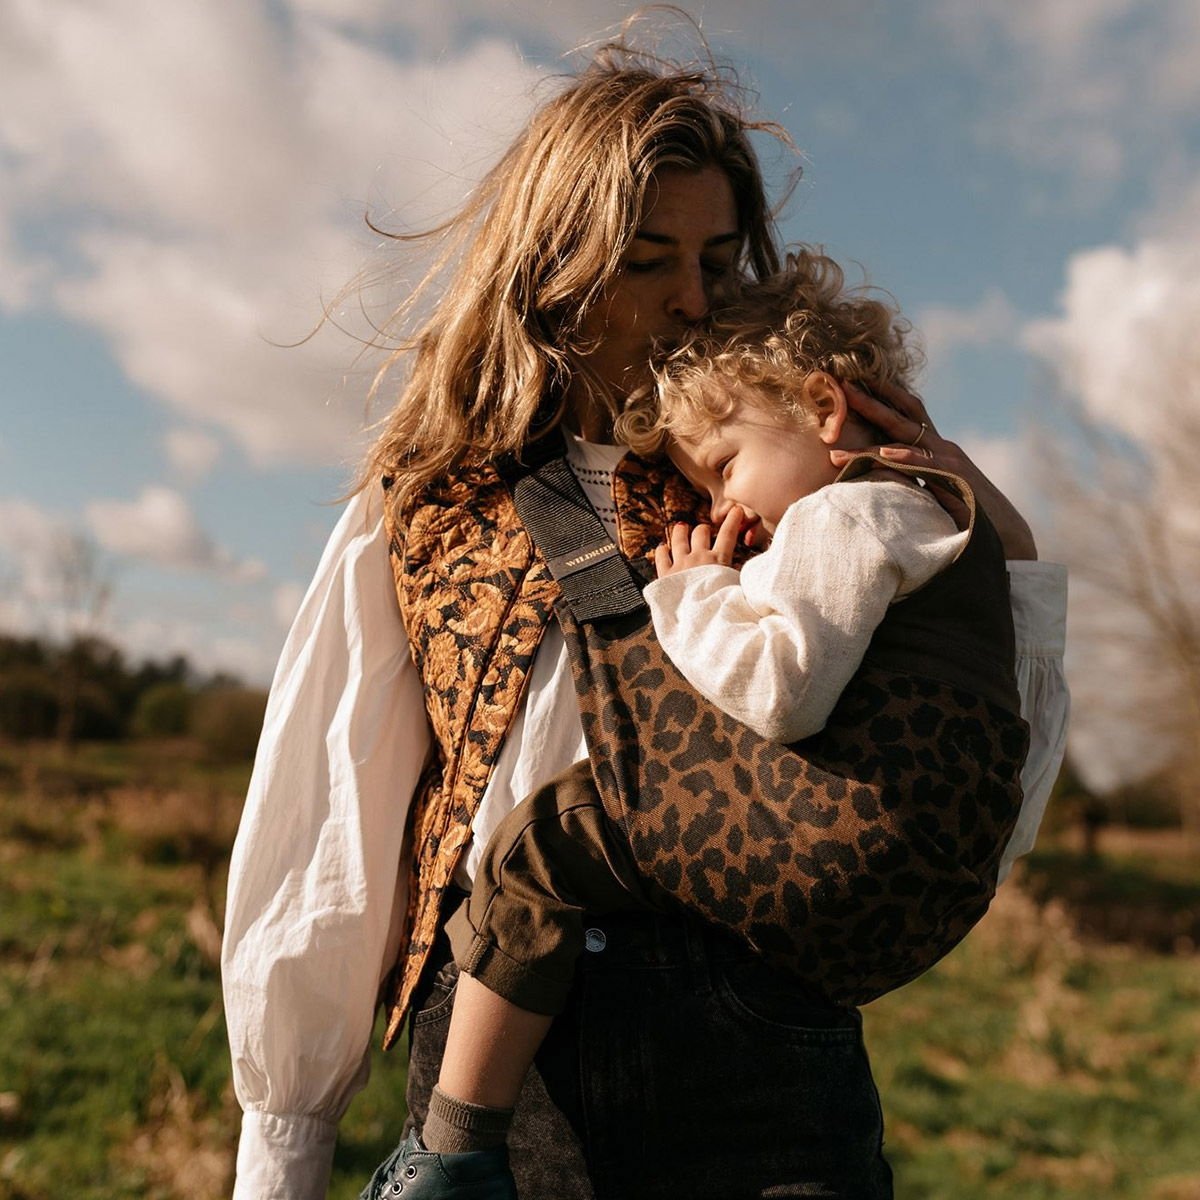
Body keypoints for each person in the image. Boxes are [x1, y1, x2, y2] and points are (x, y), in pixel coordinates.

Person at [222, 25, 1069, 1200]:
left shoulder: (793, 478)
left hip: (762, 1066)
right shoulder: (429, 504)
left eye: (718, 260)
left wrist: (982, 520)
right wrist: (284, 1145)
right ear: (554, 261)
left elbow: (973, 777)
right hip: (501, 1083)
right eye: (646, 257)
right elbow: (331, 828)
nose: (688, 296)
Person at [360, 252, 1033, 1199]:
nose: (723, 508)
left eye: (722, 468)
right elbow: (1011, 700)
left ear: (825, 408)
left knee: (545, 842)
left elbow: (776, 686)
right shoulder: (942, 528)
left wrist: (693, 591)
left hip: (815, 845)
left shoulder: (842, 521)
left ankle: (452, 1153)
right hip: (908, 889)